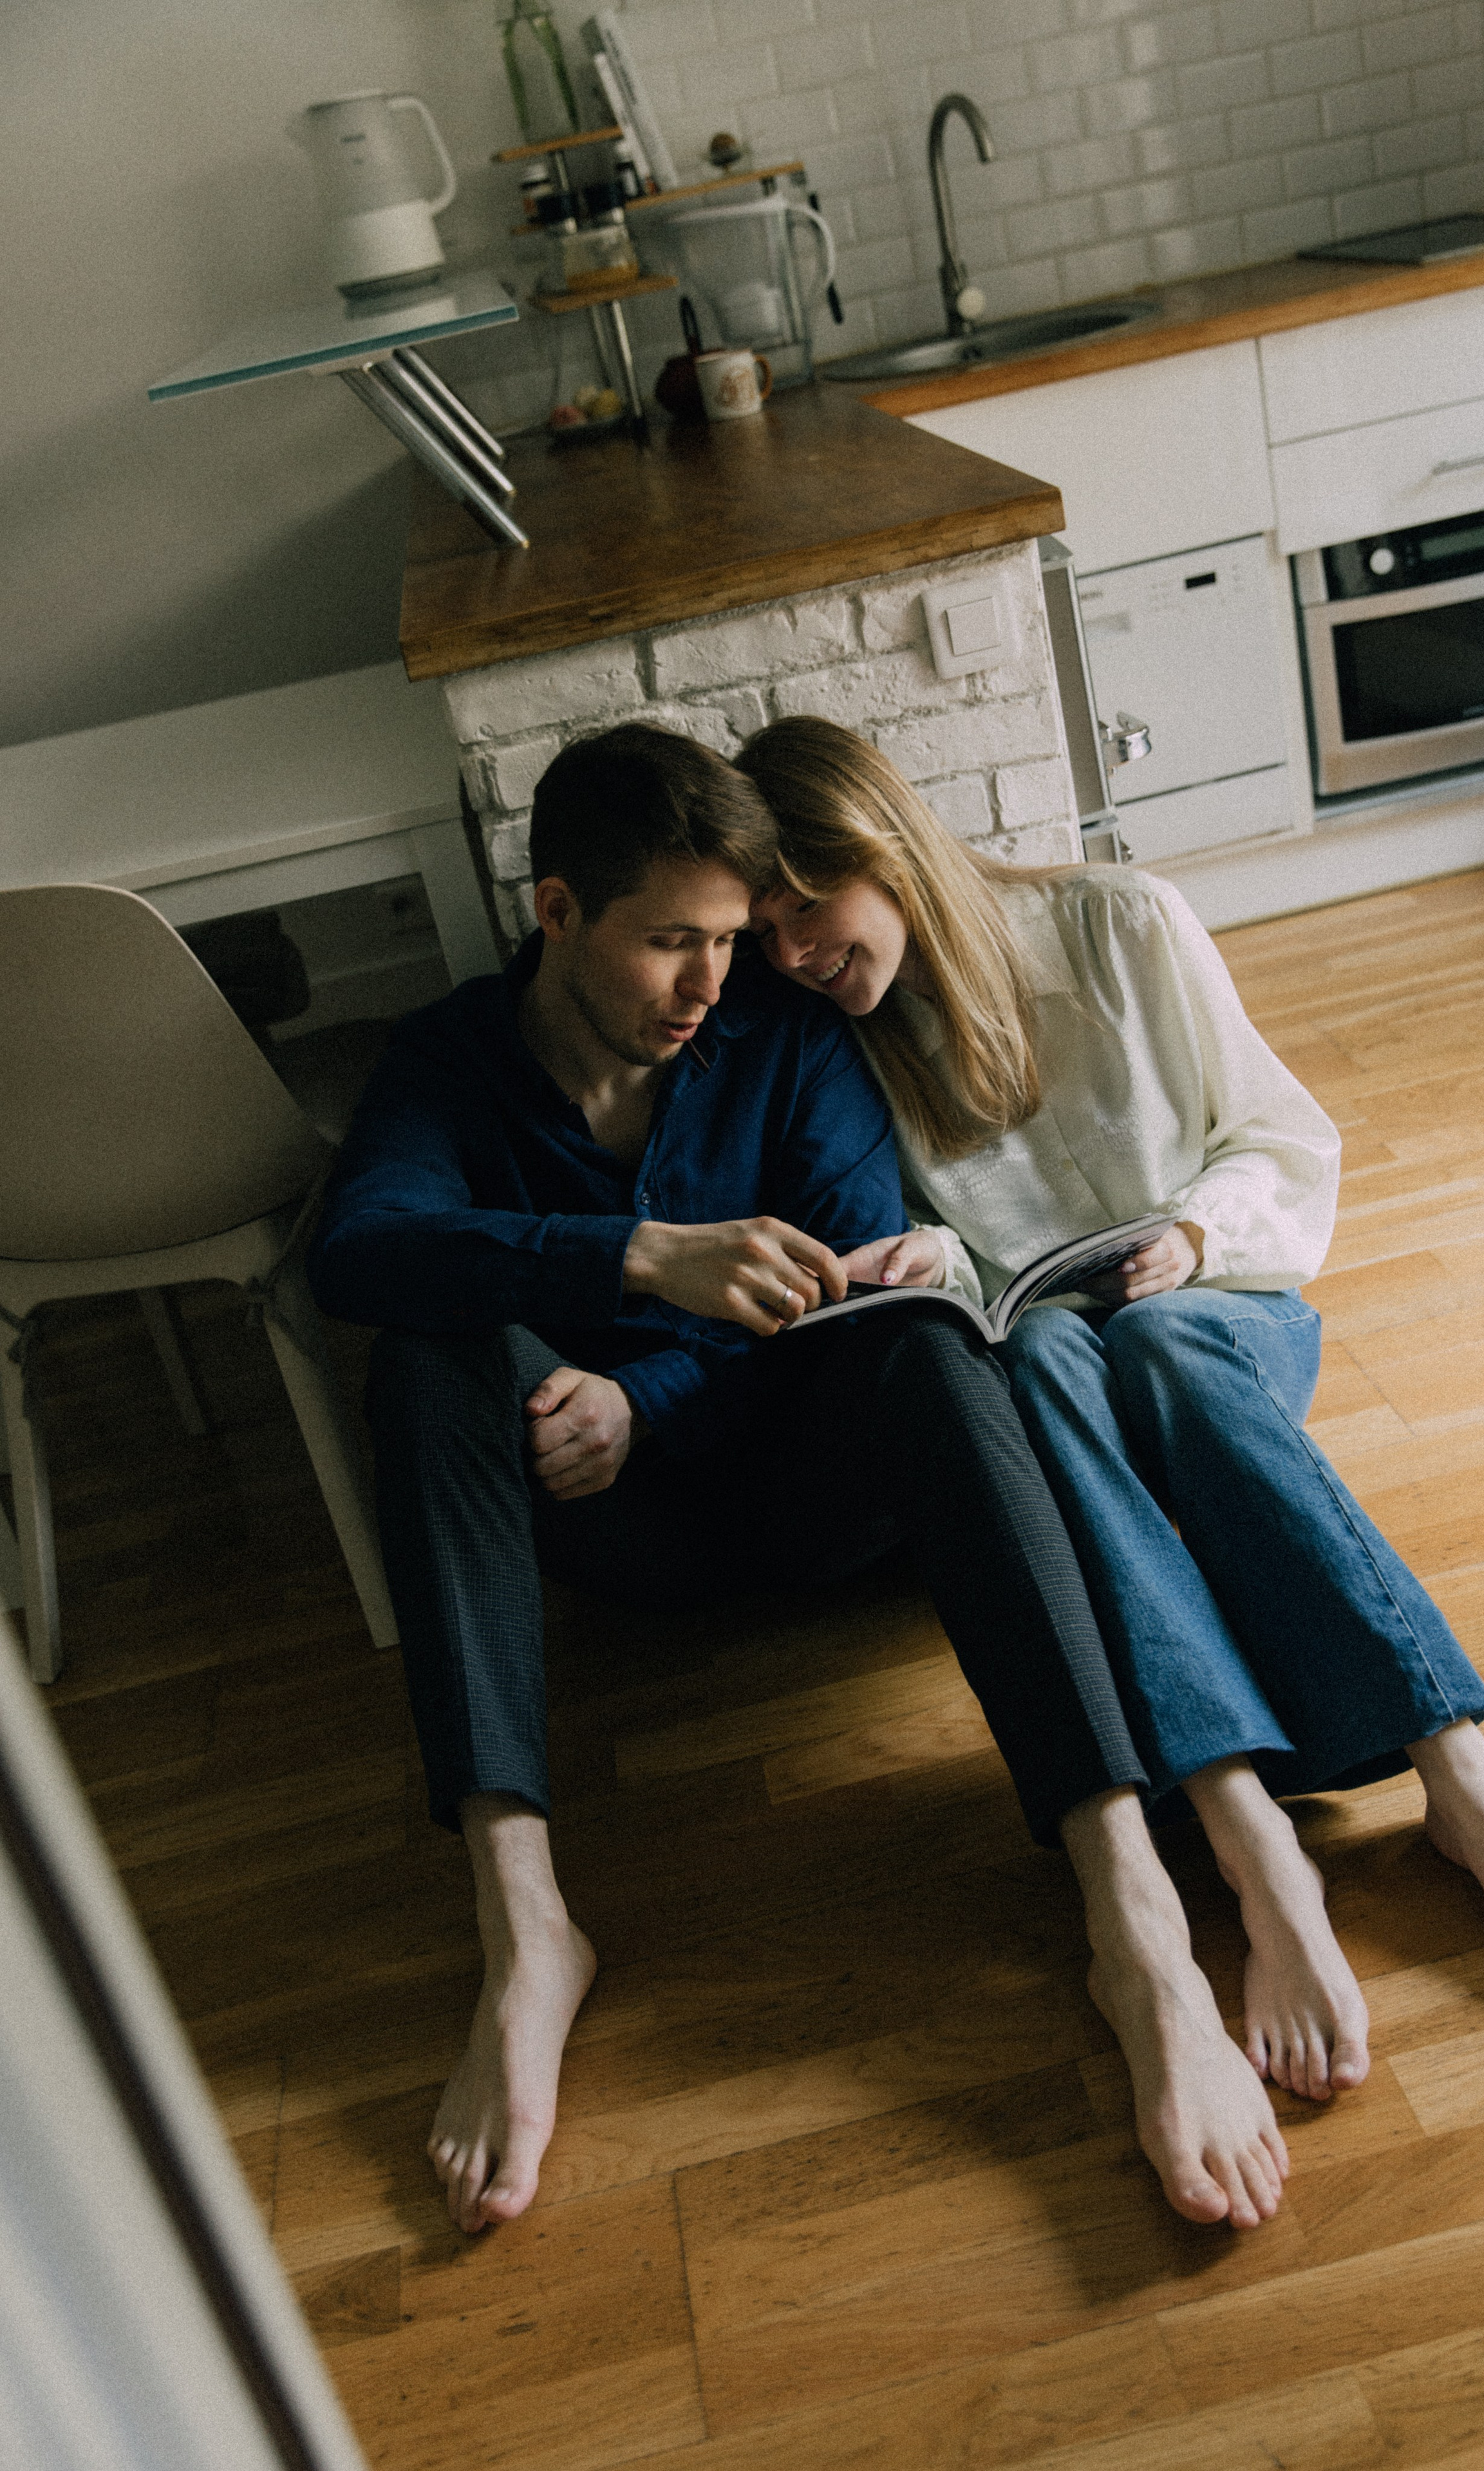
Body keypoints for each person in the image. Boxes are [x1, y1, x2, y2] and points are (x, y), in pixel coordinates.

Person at [308, 721, 1297, 2242]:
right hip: (617, 1531)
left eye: (728, 939)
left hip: (824, 1495)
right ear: (558, 911)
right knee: (424, 1359)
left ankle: (1133, 1913)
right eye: (670, 942)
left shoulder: (780, 1030)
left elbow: (848, 1278)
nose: (710, 983)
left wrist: (646, 1393)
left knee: (922, 1331)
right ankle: (525, 1933)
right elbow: (358, 1251)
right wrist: (635, 1256)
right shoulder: (449, 1058)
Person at [739, 713, 1484, 2132]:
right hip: (1060, 1364)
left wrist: (1195, 1231)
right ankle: (1249, 1839)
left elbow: (1283, 1138)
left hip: (1217, 1325)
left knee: (1159, 1341)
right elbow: (952, 1257)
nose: (795, 953)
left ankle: (1468, 1788)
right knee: (1048, 1351)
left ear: (887, 848)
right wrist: (933, 1256)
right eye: (768, 932)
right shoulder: (843, 1049)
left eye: (809, 908)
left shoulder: (1122, 924)